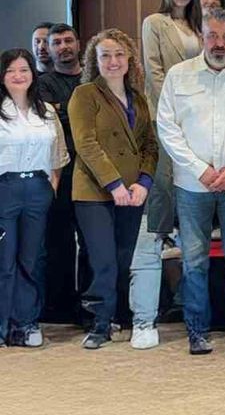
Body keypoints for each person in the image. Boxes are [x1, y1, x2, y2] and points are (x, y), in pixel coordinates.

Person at [156, 8, 225, 356]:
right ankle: (197, 329)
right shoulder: (179, 76)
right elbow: (167, 128)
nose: (219, 43)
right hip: (193, 186)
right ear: (202, 37)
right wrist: (199, 169)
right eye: (212, 35)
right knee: (194, 261)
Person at [69, 29, 157, 349]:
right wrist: (114, 184)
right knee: (103, 260)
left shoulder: (139, 98)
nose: (113, 61)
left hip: (133, 192)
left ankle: (121, 315)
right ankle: (99, 323)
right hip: (95, 192)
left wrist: (144, 182)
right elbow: (86, 144)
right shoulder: (85, 94)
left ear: (129, 58)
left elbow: (150, 146)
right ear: (95, 60)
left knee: (123, 258)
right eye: (105, 55)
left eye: (119, 54)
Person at [135, 0, 204, 349]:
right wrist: (174, 111)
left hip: (198, 118)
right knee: (163, 191)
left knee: (190, 195)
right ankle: (158, 292)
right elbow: (155, 71)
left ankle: (186, 289)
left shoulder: (198, 26)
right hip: (168, 115)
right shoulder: (155, 23)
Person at [0, 49, 68, 348]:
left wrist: (51, 187)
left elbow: (58, 155)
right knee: (5, 260)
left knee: (31, 258)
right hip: (5, 187)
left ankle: (25, 323)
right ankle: (2, 325)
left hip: (37, 189)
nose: (18, 76)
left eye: (24, 70)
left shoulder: (47, 112)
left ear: (33, 74)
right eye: (11, 70)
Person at [34, 23, 82, 324]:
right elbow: (51, 120)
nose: (63, 47)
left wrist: (65, 110)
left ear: (78, 44)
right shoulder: (42, 84)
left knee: (92, 242)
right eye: (57, 43)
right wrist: (76, 112)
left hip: (92, 170)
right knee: (58, 241)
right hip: (59, 172)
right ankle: (58, 306)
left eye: (68, 41)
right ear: (49, 51)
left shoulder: (92, 78)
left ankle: (89, 305)